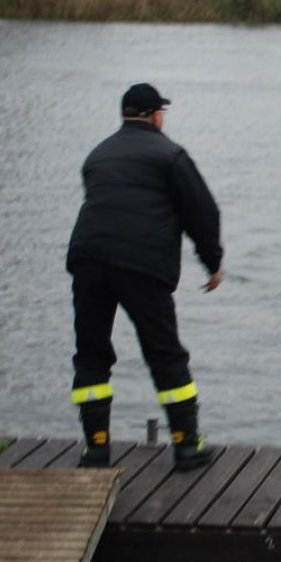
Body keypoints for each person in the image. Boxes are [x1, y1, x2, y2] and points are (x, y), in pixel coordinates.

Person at [67, 83, 223, 471]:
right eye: (162, 113)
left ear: (124, 115)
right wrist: (212, 262)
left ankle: (96, 449)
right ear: (155, 116)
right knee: (165, 354)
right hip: (141, 265)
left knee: (91, 354)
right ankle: (187, 446)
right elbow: (202, 212)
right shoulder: (170, 155)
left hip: (87, 259)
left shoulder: (97, 155)